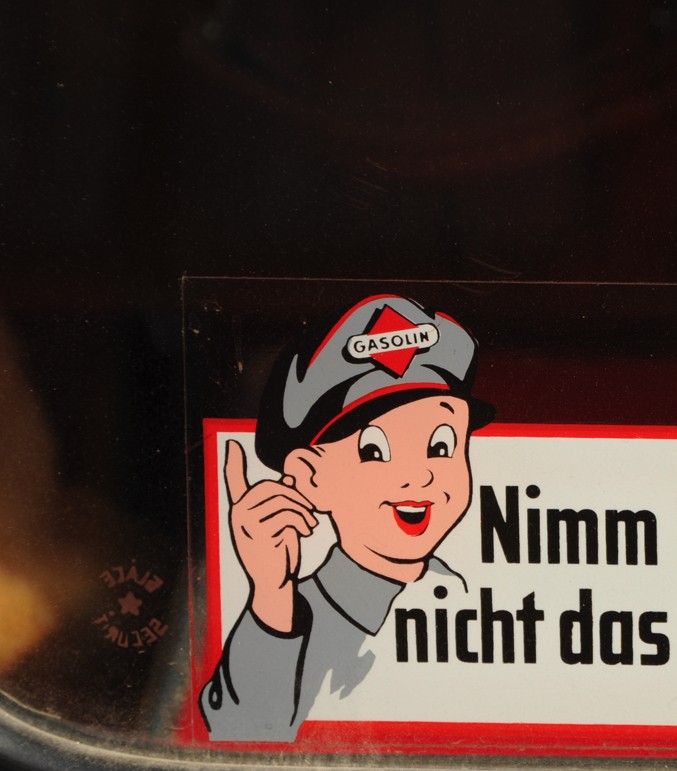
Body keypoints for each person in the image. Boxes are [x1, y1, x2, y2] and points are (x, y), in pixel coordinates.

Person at [200, 294, 493, 741]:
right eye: (375, 451)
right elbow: (244, 741)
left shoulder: (476, 591)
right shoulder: (287, 618)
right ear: (309, 477)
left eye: (441, 445)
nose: (420, 476)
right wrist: (271, 594)